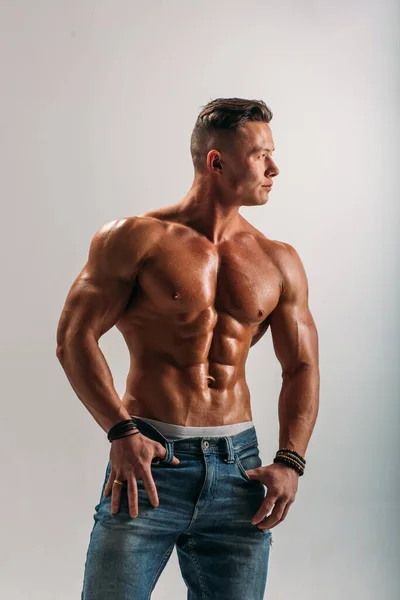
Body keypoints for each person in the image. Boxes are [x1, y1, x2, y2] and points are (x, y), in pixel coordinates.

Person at [56, 97, 320, 600]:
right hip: (148, 461)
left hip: (241, 469)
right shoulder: (136, 239)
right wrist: (120, 430)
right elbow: (74, 336)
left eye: (273, 153)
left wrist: (291, 459)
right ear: (217, 161)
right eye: (261, 154)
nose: (275, 168)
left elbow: (302, 365)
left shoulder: (278, 259)